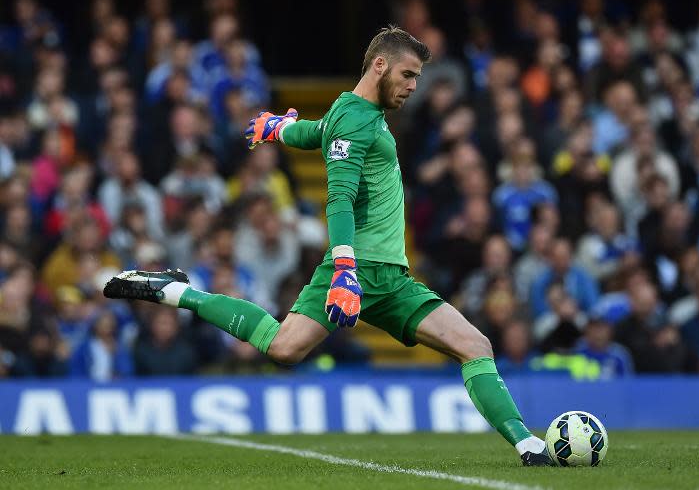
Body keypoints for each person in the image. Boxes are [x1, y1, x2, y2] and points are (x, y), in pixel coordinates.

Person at [103, 26, 554, 466]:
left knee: (475, 344)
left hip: (393, 279)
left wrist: (279, 129)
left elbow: (314, 133)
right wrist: (343, 271)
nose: (414, 86)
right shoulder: (356, 121)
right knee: (282, 349)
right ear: (380, 65)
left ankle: (527, 446)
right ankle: (178, 291)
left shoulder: (350, 114)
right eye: (408, 75)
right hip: (354, 270)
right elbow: (338, 198)